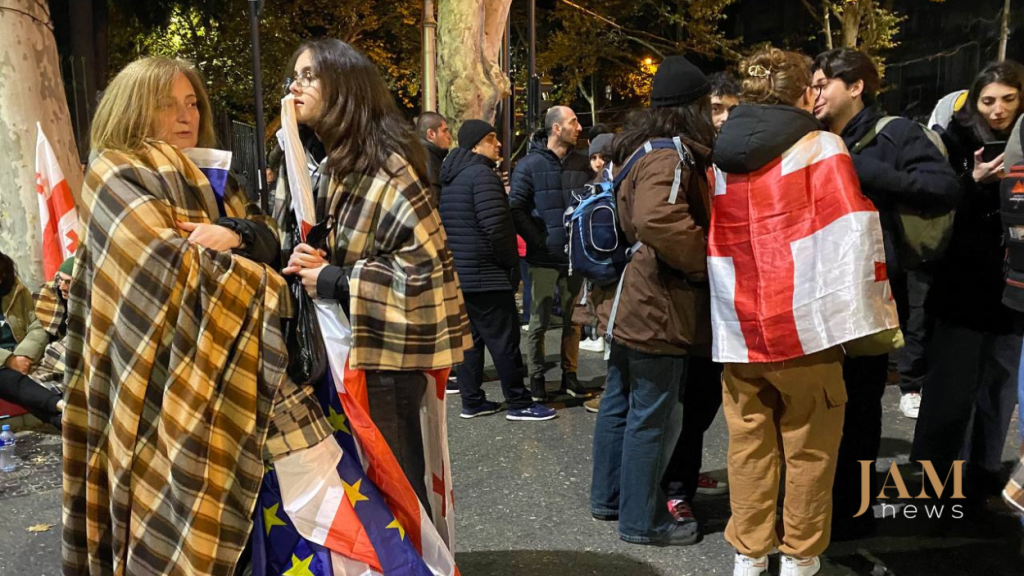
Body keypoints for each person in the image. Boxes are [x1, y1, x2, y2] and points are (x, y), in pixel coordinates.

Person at [62, 56, 331, 576]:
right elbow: (172, 268)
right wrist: (271, 283)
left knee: (265, 522)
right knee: (165, 517)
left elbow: (265, 234)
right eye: (166, 104)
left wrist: (236, 235)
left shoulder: (217, 178)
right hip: (153, 383)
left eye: (191, 103)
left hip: (236, 378)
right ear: (133, 108)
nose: (184, 116)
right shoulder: (113, 173)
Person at [711, 47, 897, 576]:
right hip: (805, 328)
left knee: (748, 447)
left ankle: (748, 555)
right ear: (805, 91)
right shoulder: (821, 146)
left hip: (740, 327)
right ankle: (800, 557)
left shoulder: (720, 156)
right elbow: (851, 235)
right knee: (810, 450)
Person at [282, 39, 469, 515]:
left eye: (309, 77)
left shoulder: (384, 164)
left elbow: (423, 266)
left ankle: (414, 561)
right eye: (295, 76)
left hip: (388, 350)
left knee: (395, 476)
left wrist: (333, 279)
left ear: (343, 86)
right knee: (371, 475)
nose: (295, 86)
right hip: (355, 342)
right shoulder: (335, 160)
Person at [811, 48, 960, 537]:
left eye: (822, 84)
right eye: (811, 85)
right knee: (820, 402)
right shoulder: (814, 137)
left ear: (854, 87)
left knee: (860, 402)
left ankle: (852, 514)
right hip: (819, 289)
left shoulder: (894, 132)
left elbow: (943, 187)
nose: (813, 94)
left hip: (871, 291)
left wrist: (874, 176)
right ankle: (816, 505)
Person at [588, 54, 716, 547]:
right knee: (651, 413)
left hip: (630, 297)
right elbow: (657, 221)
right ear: (692, 107)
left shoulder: (638, 148)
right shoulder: (670, 153)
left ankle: (610, 499)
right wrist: (702, 262)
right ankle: (642, 521)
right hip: (657, 302)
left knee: (620, 403)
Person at [913, 60, 1024, 501]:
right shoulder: (952, 139)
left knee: (999, 388)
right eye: (989, 100)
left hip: (1012, 288)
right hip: (961, 283)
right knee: (950, 388)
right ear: (974, 101)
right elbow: (932, 207)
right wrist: (973, 181)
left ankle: (982, 471)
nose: (998, 111)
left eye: (1009, 99)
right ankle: (935, 478)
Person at [438, 119, 555, 421]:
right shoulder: (482, 176)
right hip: (487, 273)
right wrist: (509, 265)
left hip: (461, 275)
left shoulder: (452, 177)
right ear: (476, 144)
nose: (499, 144)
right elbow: (497, 229)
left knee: (471, 342)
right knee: (505, 341)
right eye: (491, 138)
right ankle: (518, 402)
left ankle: (472, 400)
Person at [509, 106, 596, 402]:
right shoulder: (530, 165)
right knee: (539, 321)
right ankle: (536, 380)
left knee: (574, 321)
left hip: (574, 258)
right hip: (543, 258)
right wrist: (537, 240)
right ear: (556, 128)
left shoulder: (583, 165)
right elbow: (516, 206)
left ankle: (569, 378)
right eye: (574, 122)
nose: (580, 127)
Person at [0, 251, 63, 427]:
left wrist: (24, 355)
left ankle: (67, 416)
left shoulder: (16, 291)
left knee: (59, 359)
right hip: (3, 365)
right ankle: (61, 411)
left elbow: (37, 324)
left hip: (26, 355)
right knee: (9, 380)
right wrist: (10, 360)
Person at [577, 132, 615, 358]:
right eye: (594, 158)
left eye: (603, 157)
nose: (598, 162)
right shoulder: (592, 185)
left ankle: (602, 338)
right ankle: (599, 337)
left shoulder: (607, 182)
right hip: (598, 255)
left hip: (607, 256)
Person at [30, 256, 74, 389]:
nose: (62, 287)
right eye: (60, 280)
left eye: (69, 282)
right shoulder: (47, 295)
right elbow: (36, 329)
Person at [417, 111, 451, 207]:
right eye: (444, 131)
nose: (449, 136)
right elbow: (435, 200)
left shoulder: (421, 155)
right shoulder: (429, 160)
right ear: (431, 134)